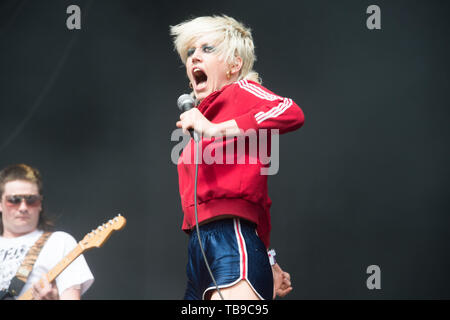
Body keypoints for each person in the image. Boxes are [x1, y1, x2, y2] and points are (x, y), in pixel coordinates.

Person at [170, 15, 304, 300]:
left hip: (231, 239)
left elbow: (290, 111)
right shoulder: (201, 119)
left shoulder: (241, 91)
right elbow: (259, 197)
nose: (194, 58)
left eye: (207, 49)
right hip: (198, 248)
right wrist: (269, 259)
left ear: (234, 65)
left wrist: (217, 129)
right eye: (190, 51)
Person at [0, 164, 94, 300]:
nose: (23, 207)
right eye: (14, 200)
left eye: (31, 200)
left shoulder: (59, 242)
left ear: (40, 204)